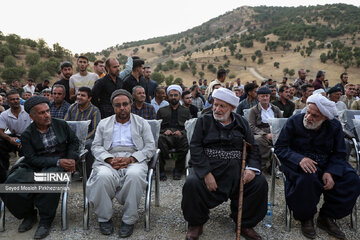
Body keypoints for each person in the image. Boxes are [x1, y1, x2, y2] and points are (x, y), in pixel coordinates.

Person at [182, 87, 268, 240]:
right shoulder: (204, 121)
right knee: (192, 183)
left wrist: (251, 169)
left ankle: (245, 223)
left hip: (236, 170)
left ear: (232, 108)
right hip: (210, 167)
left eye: (222, 106)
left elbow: (252, 148)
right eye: (215, 105)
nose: (217, 109)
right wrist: (206, 173)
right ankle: (196, 223)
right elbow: (195, 147)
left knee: (259, 182)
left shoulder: (241, 122)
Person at [274, 94, 360, 240]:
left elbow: (339, 153)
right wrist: (299, 159)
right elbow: (280, 148)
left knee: (351, 179)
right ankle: (305, 217)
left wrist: (330, 172)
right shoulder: (294, 121)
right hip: (297, 162)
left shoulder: (334, 126)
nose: (308, 117)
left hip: (326, 162)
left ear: (325, 118)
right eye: (308, 112)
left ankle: (327, 216)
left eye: (315, 115)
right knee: (307, 178)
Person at [1, 96, 79, 239]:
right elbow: (31, 159)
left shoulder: (61, 124)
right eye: (42, 113)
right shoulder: (27, 134)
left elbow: (74, 142)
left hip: (58, 164)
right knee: (10, 184)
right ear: (32, 116)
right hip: (36, 164)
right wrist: (58, 162)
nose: (47, 115)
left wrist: (71, 159)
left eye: (47, 111)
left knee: (50, 180)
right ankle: (29, 214)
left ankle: (45, 220)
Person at [86, 89, 155, 238]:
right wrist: (110, 159)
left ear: (131, 104)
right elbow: (96, 146)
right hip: (109, 158)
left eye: (125, 104)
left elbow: (150, 147)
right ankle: (104, 218)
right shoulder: (104, 123)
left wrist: (130, 159)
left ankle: (129, 220)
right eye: (118, 105)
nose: (122, 108)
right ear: (113, 106)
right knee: (102, 176)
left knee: (135, 175)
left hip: (134, 158)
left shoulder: (142, 123)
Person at [157, 85, 191, 181]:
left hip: (180, 135)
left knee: (185, 140)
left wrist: (182, 132)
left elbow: (190, 126)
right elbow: (157, 126)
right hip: (166, 136)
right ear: (168, 96)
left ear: (179, 96)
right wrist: (164, 131)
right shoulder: (161, 110)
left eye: (175, 95)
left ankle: (178, 169)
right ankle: (161, 170)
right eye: (171, 95)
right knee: (160, 140)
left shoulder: (186, 110)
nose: (173, 97)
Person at [65, 87, 101, 177]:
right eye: (78, 94)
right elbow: (65, 124)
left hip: (88, 139)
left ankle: (87, 175)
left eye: (83, 95)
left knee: (89, 146)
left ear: (89, 98)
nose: (79, 97)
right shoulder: (72, 108)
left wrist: (82, 139)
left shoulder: (95, 110)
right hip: (73, 138)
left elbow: (95, 130)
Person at [0, 90, 31, 183]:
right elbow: (1, 131)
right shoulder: (4, 114)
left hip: (27, 136)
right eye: (12, 99)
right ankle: (3, 174)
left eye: (17, 99)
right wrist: (10, 139)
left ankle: (26, 176)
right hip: (13, 137)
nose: (16, 101)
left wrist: (23, 140)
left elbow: (35, 127)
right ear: (7, 101)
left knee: (27, 155)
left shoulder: (27, 110)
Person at [248, 86, 282, 171]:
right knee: (259, 140)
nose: (265, 98)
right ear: (258, 97)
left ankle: (279, 164)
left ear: (270, 97)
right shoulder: (253, 110)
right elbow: (251, 126)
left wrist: (275, 134)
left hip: (275, 133)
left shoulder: (276, 109)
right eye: (262, 96)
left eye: (267, 96)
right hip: (260, 134)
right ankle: (264, 164)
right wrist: (265, 134)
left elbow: (281, 123)